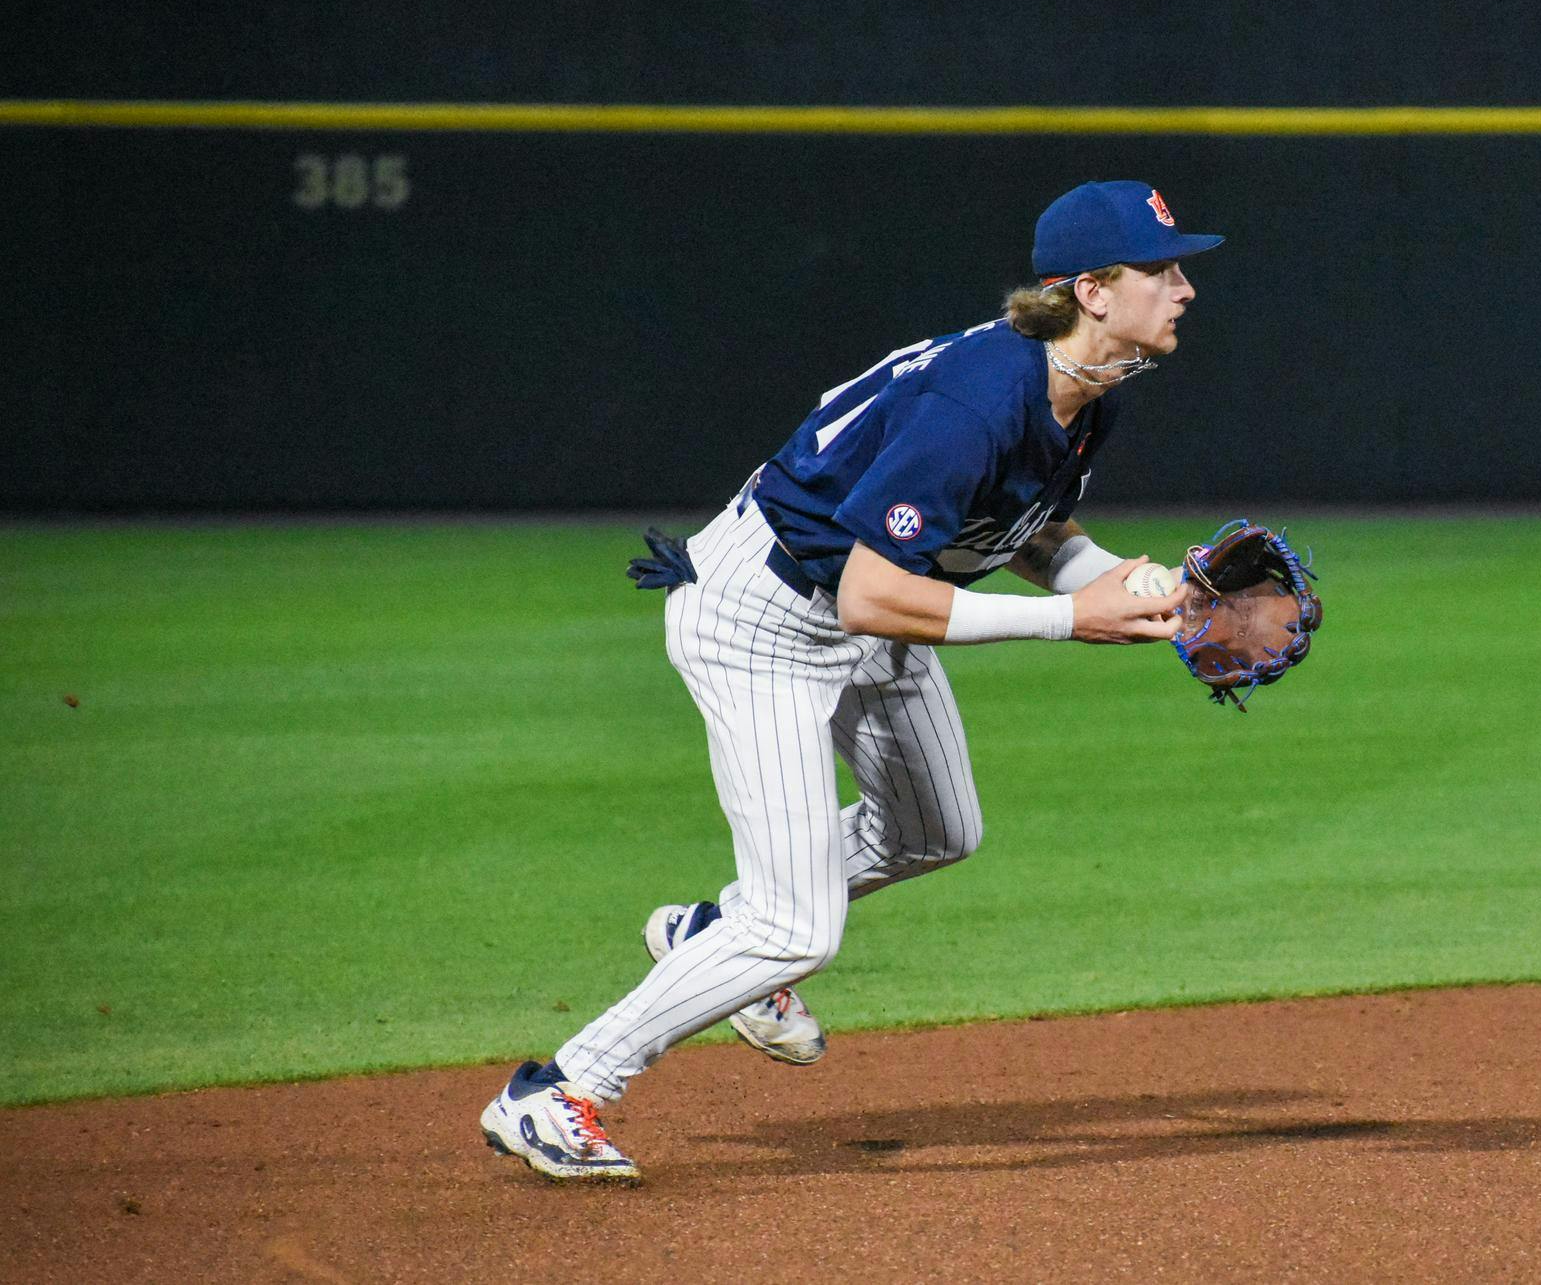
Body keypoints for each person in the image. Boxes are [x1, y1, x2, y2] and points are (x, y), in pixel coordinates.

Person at [480, 180, 1222, 1181]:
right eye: (1160, 269)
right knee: (792, 928)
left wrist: (1142, 589)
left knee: (937, 829)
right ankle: (560, 1089)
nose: (1182, 288)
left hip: (856, 602)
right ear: (1090, 289)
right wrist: (1067, 620)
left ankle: (710, 931)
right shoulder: (974, 400)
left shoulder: (1083, 396)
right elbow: (875, 594)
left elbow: (1023, 530)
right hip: (764, 614)